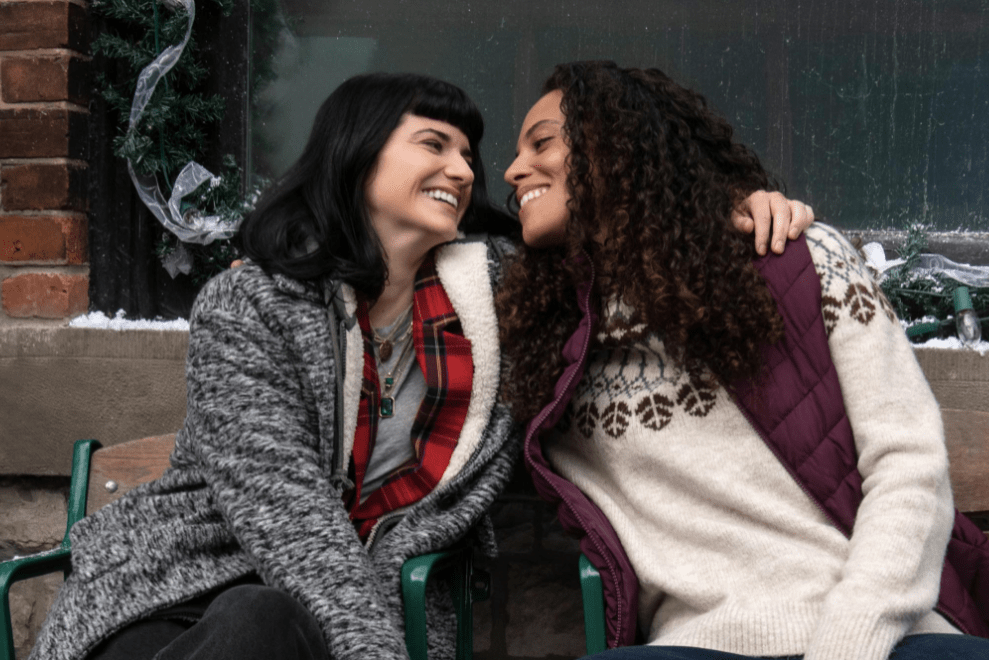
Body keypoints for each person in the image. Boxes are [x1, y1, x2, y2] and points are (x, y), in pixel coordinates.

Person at [29, 71, 810, 660]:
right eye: (433, 144)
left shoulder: (505, 295)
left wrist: (731, 209)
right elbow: (285, 515)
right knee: (258, 618)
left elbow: (634, 246)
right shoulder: (252, 306)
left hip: (363, 610)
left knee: (268, 620)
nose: (466, 170)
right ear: (357, 154)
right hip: (181, 601)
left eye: (468, 153)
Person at [497, 61, 989, 660]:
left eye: (541, 142)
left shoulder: (796, 262)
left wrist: (851, 641)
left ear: (615, 147)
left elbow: (909, 465)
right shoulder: (547, 337)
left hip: (885, 636)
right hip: (694, 647)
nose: (512, 169)